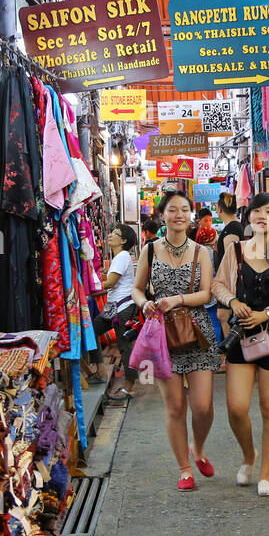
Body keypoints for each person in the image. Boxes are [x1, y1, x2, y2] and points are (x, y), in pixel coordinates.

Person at [211, 192, 269, 497]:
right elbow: (218, 285)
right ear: (249, 216)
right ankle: (249, 455)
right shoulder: (235, 250)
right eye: (258, 211)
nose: (263, 216)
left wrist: (266, 313)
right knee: (236, 407)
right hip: (241, 337)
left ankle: (266, 473)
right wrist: (233, 301)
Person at [131, 191, 219, 491]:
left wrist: (179, 299)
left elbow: (207, 293)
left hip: (198, 334)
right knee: (175, 406)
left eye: (184, 209)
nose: (178, 214)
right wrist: (144, 303)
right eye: (172, 209)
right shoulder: (150, 250)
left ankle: (198, 447)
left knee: (204, 406)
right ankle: (184, 468)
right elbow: (137, 289)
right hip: (162, 336)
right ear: (162, 214)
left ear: (190, 215)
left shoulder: (202, 252)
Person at [92, 224, 140, 402]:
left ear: (124, 240)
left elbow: (111, 282)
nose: (110, 236)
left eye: (115, 234)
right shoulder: (121, 257)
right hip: (115, 308)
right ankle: (99, 369)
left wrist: (89, 287)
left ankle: (130, 386)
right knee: (92, 332)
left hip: (122, 308)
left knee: (124, 346)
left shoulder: (122, 256)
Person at [212, 192, 245, 333]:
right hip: (229, 284)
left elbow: (231, 261)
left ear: (219, 209)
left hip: (229, 284)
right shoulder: (235, 226)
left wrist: (229, 292)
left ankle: (229, 354)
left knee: (225, 317)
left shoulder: (231, 229)